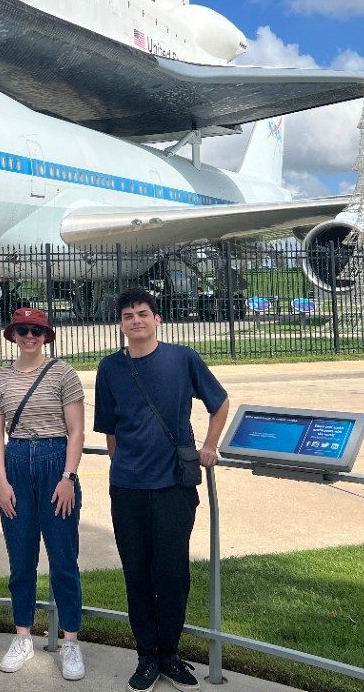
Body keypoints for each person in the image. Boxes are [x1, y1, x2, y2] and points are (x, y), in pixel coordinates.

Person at [94, 289, 230, 692]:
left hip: (172, 485)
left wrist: (209, 445)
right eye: (127, 315)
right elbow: (111, 430)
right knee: (136, 572)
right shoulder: (110, 368)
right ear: (120, 324)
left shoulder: (183, 358)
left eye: (142, 313)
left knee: (171, 573)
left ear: (157, 318)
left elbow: (219, 403)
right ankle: (146, 655)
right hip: (128, 489)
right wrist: (121, 469)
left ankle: (170, 653)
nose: (135, 320)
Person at [0, 308, 86, 680]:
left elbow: (76, 430)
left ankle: (71, 640)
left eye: (37, 330)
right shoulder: (0, 378)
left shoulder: (63, 373)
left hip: (54, 459)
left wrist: (68, 476)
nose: (30, 336)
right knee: (21, 556)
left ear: (47, 335)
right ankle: (23, 634)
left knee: (63, 556)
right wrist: (2, 482)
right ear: (13, 334)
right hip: (16, 461)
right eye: (24, 330)